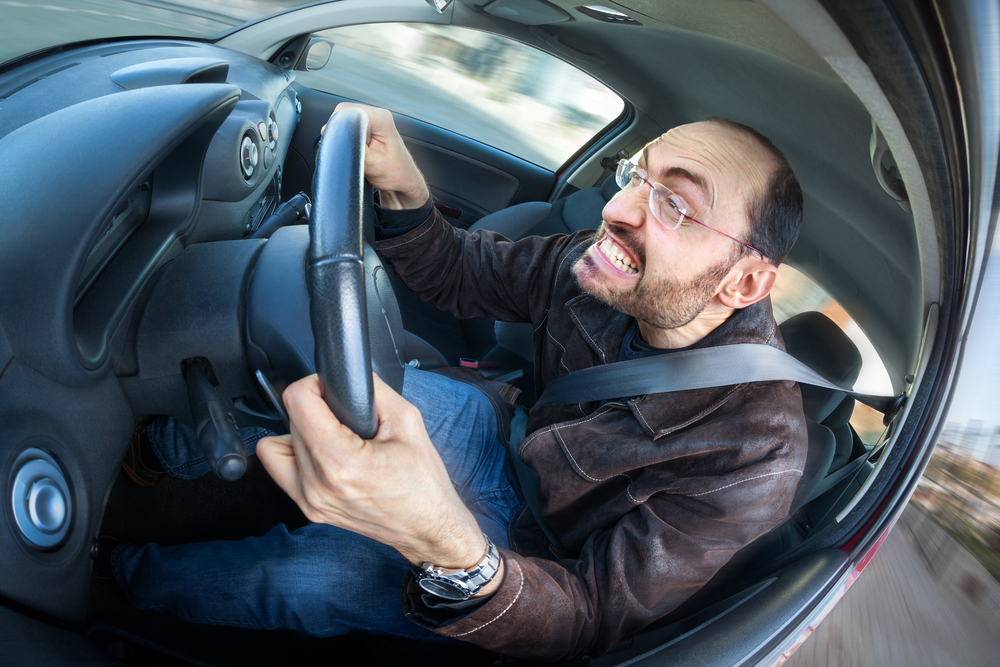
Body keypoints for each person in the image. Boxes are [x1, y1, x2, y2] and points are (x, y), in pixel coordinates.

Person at [108, 104, 807, 663]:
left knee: (304, 578)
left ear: (745, 281)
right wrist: (406, 188)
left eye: (676, 206)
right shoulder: (607, 263)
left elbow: (591, 614)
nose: (620, 210)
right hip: (499, 437)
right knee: (322, 372)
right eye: (637, 176)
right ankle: (153, 454)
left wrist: (443, 541)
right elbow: (465, 272)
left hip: (526, 564)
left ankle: (114, 580)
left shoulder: (755, 457)